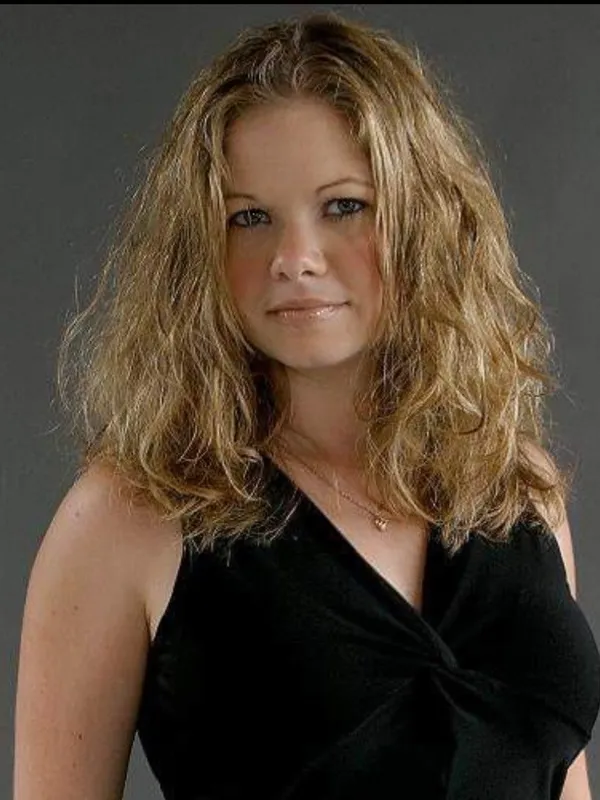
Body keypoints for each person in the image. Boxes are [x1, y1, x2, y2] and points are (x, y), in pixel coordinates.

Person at [13, 10, 600, 800]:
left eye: (343, 206)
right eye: (249, 217)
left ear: (422, 219)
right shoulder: (128, 519)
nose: (293, 259)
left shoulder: (516, 488)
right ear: (199, 248)